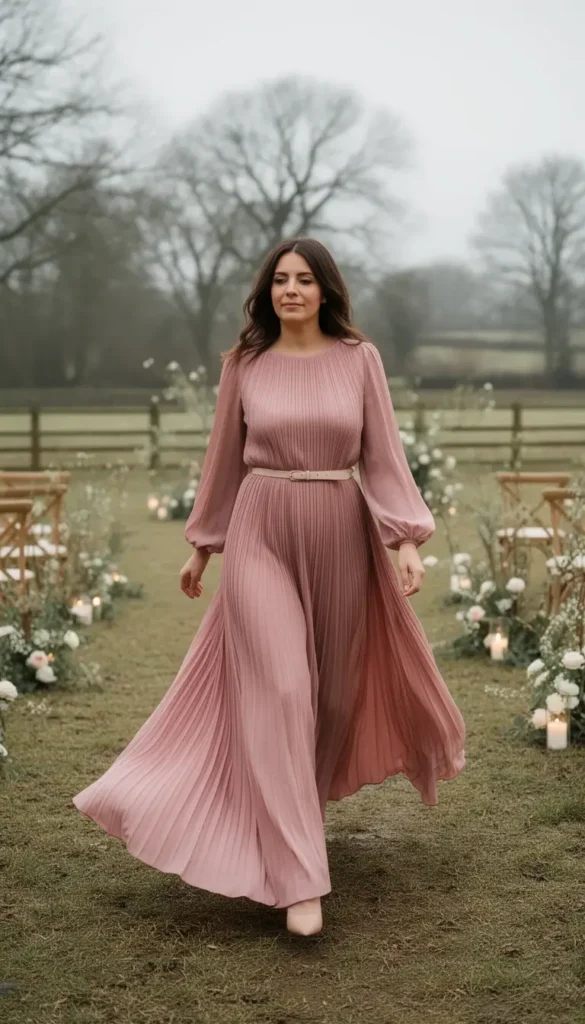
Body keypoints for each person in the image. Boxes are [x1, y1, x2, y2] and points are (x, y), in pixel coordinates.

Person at [73, 237, 465, 937]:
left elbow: (382, 457)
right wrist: (202, 546)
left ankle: (295, 819)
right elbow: (223, 457)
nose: (290, 290)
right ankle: (297, 880)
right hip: (261, 531)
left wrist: (403, 539)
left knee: (331, 699)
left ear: (325, 291)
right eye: (280, 279)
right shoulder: (245, 364)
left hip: (341, 532)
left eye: (304, 280)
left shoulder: (358, 360)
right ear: (266, 291)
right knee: (282, 688)